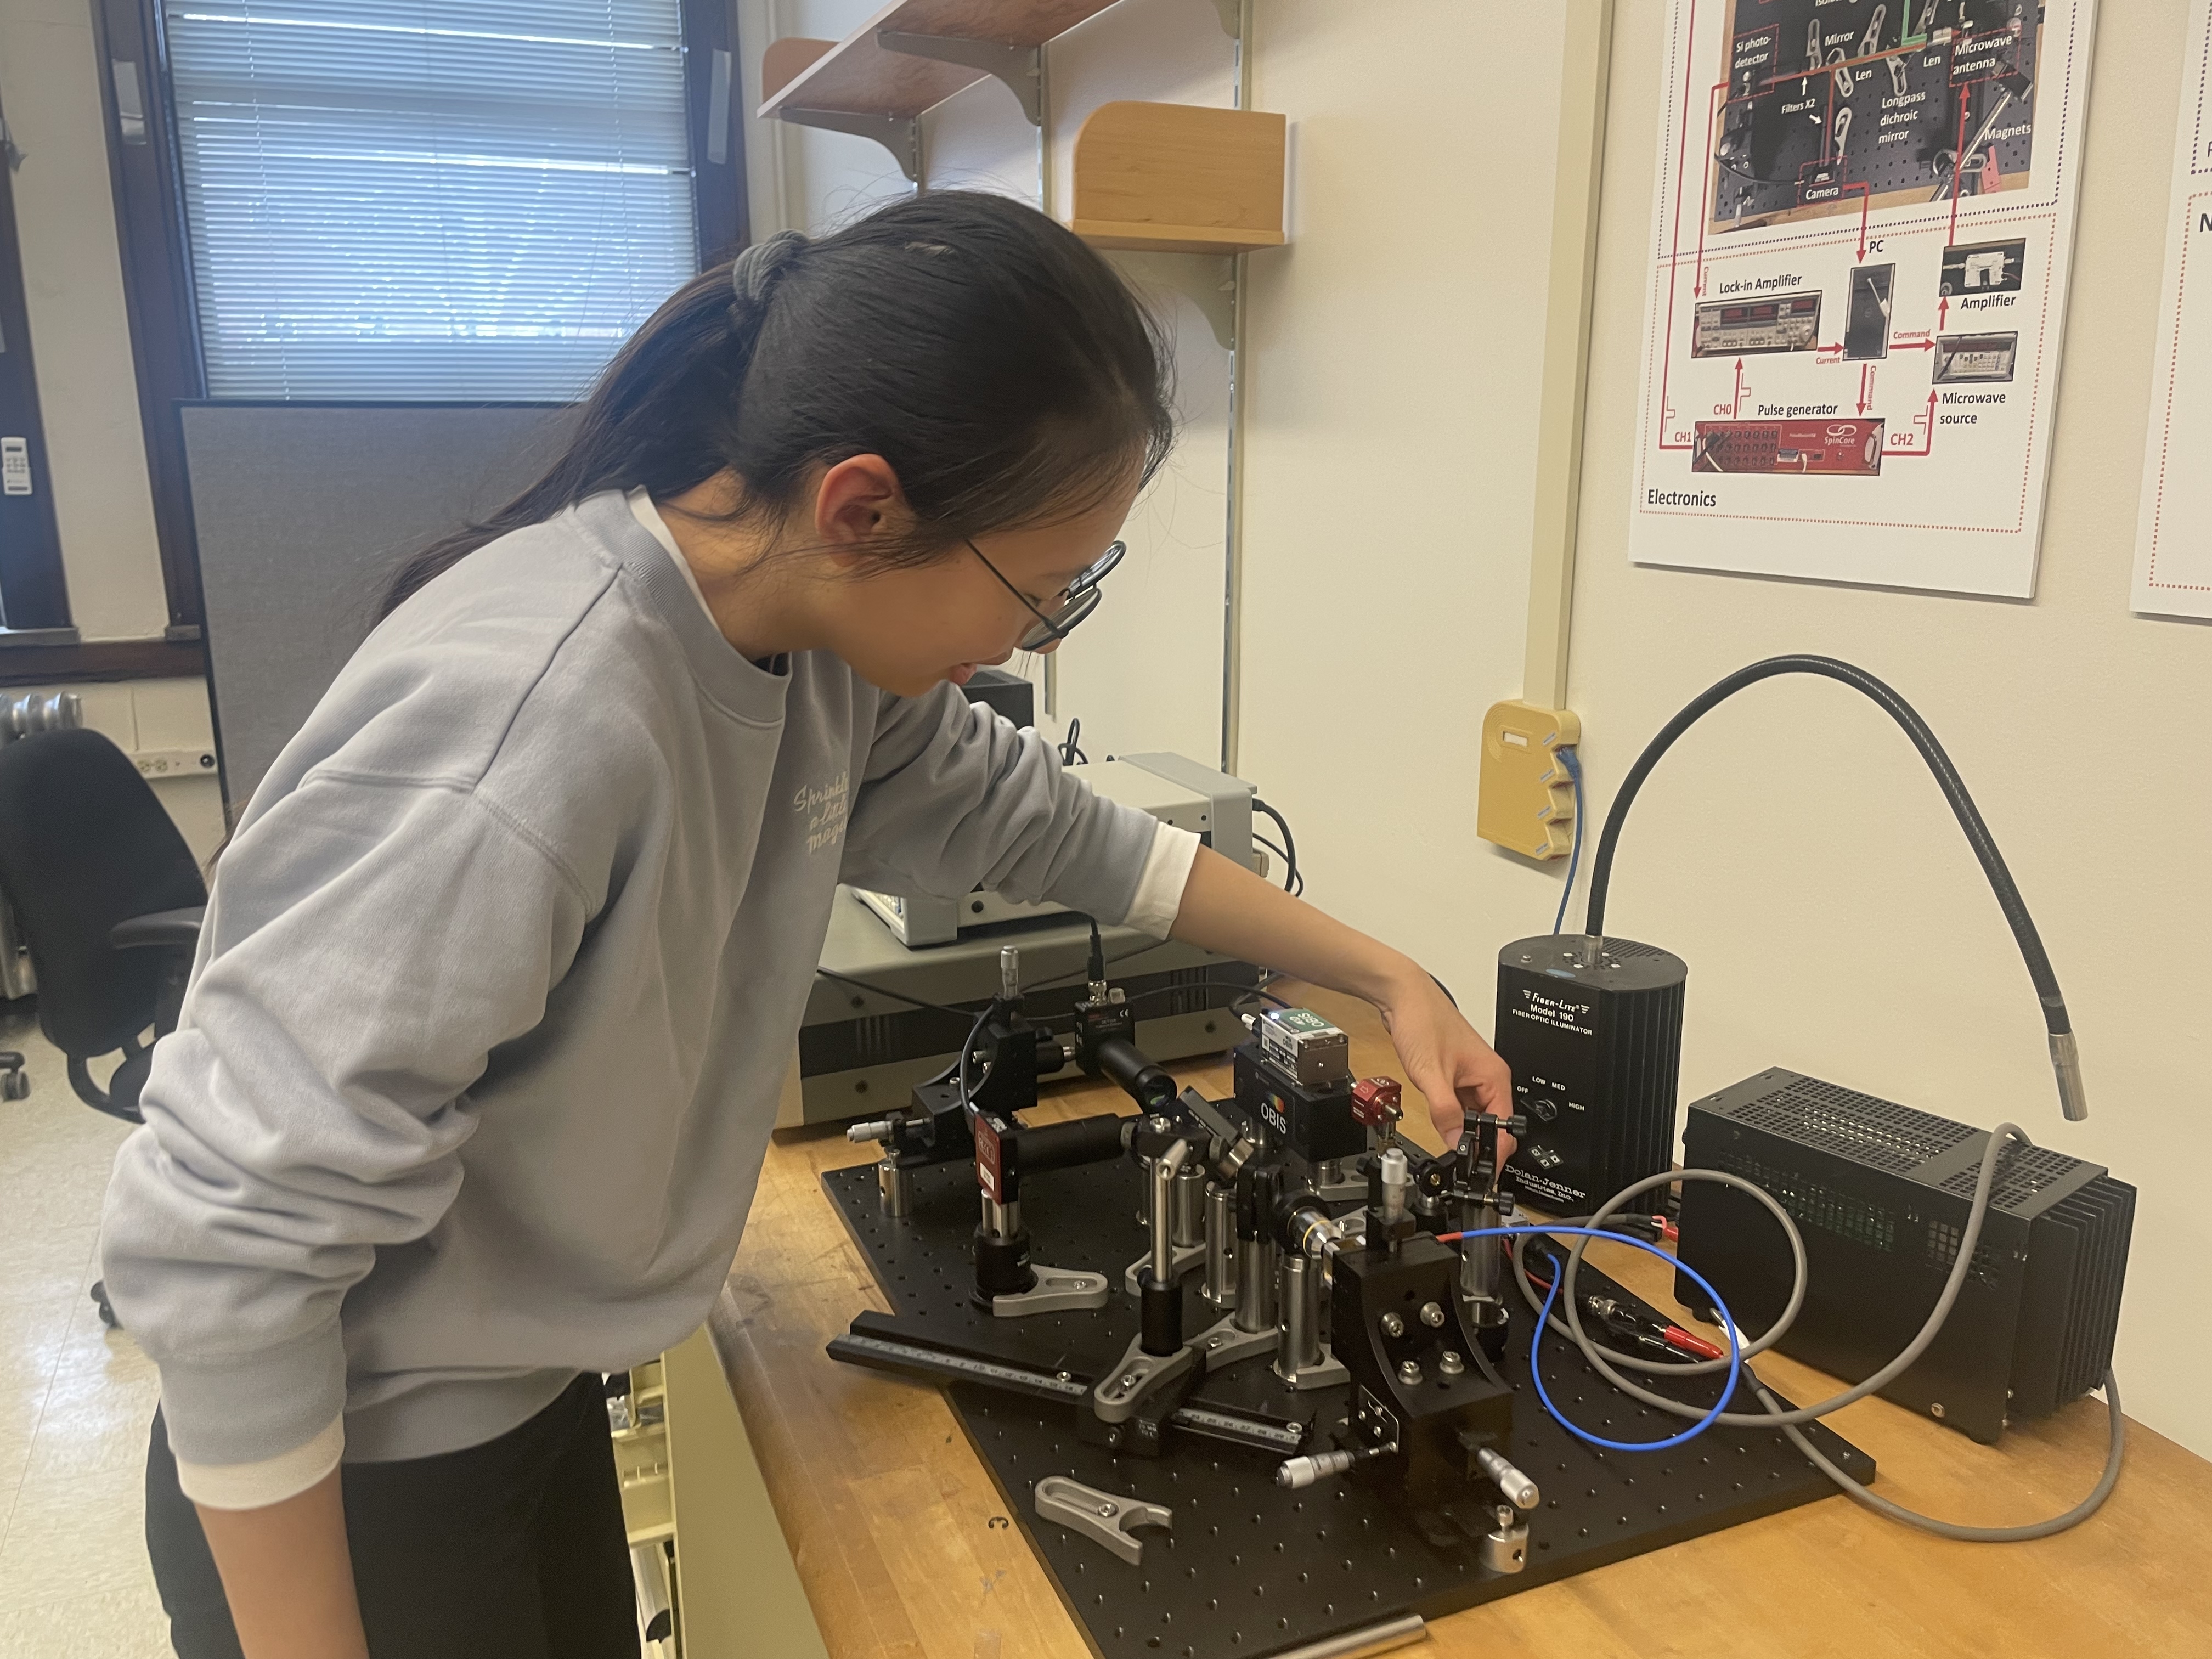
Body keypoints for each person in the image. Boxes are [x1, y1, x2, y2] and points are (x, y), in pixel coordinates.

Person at [99, 191, 1512, 1659]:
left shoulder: (806, 647)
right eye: (1042, 589)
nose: (1036, 638)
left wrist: (1381, 969)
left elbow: (1053, 824)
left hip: (518, 1405)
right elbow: (224, 1243)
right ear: (863, 506)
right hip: (343, 1481)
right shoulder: (534, 726)